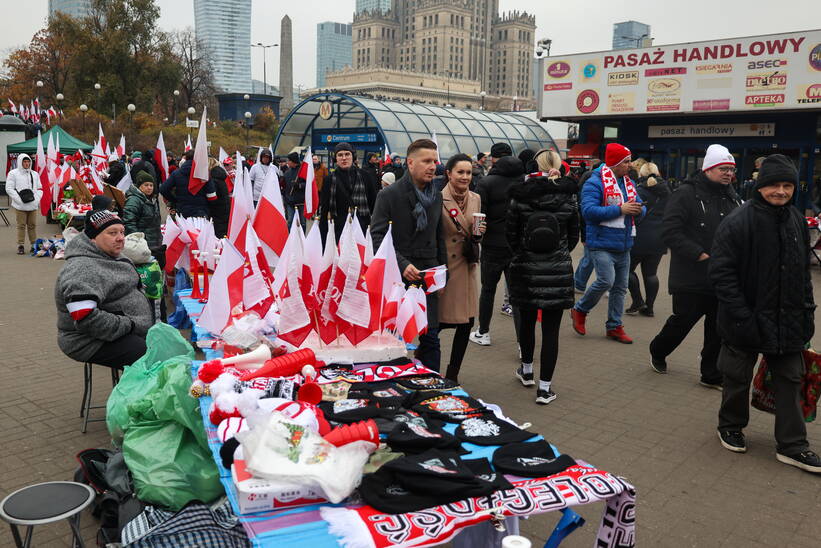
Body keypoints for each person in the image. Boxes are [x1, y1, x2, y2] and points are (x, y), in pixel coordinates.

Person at [710, 154, 821, 473]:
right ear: (761, 186)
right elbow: (721, 274)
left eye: (787, 185)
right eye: (774, 185)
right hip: (744, 319)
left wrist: (808, 312)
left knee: (791, 378)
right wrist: (742, 315)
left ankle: (793, 445)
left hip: (788, 320)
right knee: (737, 376)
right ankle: (730, 425)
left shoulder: (797, 220)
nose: (781, 191)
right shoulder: (738, 220)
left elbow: (802, 273)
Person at [649, 144, 741, 386]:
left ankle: (711, 374)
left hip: (722, 277)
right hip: (691, 277)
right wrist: (699, 254)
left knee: (717, 330)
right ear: (708, 168)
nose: (728, 173)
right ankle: (658, 350)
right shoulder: (686, 193)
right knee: (683, 322)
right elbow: (670, 231)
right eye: (723, 168)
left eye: (731, 169)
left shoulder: (732, 195)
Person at [507, 150, 579, 404]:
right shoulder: (568, 195)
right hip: (558, 270)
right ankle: (545, 388)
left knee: (526, 322)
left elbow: (511, 234)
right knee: (551, 331)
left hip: (525, 269)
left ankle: (526, 371)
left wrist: (524, 253)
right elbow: (574, 236)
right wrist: (558, 253)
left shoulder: (520, 195)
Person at [371, 139, 447, 372]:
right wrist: (403, 265)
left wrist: (444, 273)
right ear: (410, 163)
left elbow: (438, 235)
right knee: (394, 338)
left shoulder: (436, 195)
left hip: (428, 275)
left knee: (431, 336)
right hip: (398, 276)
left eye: (434, 161)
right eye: (426, 161)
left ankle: (431, 384)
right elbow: (377, 238)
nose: (432, 166)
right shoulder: (389, 195)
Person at [55, 210, 153, 369]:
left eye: (122, 232)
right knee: (148, 356)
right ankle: (135, 392)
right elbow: (85, 318)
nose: (121, 238)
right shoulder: (82, 269)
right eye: (112, 233)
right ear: (93, 238)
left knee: (165, 346)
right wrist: (129, 325)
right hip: (86, 341)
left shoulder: (109, 253)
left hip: (118, 330)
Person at [571, 143, 644, 343]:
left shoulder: (628, 183)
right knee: (606, 281)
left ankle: (614, 326)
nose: (630, 165)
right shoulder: (594, 183)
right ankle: (580, 309)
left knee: (620, 288)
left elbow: (637, 206)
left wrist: (639, 210)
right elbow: (588, 212)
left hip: (624, 243)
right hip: (601, 243)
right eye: (626, 162)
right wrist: (621, 209)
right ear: (615, 163)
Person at [469, 143, 524, 346]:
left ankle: (483, 332)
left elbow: (478, 215)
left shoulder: (486, 182)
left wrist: (476, 239)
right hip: (516, 245)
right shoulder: (523, 181)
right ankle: (522, 343)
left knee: (488, 290)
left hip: (492, 244)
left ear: (494, 159)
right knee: (517, 295)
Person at [438, 154, 483, 382]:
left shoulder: (475, 198)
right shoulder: (438, 198)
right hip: (446, 269)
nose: (465, 177)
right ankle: (427, 367)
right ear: (449, 173)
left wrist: (478, 235)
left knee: (466, 324)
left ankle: (453, 374)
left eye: (468, 172)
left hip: (467, 268)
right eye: (460, 172)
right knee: (436, 323)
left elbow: (476, 230)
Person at [625, 162, 671, 317]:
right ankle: (649, 308)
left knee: (627, 270)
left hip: (639, 236)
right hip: (659, 237)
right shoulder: (667, 192)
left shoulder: (638, 191)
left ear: (641, 174)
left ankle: (637, 301)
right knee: (651, 274)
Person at [319, 143, 378, 242]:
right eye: (340, 155)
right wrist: (323, 239)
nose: (344, 158)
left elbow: (374, 205)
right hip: (338, 232)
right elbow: (325, 210)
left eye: (347, 154)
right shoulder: (328, 180)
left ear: (353, 156)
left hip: (362, 231)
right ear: (336, 159)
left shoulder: (366, 176)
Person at [159, 149, 218, 218]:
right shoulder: (204, 174)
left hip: (182, 211)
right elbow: (212, 196)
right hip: (201, 211)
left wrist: (174, 200)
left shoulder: (176, 173)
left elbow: (163, 189)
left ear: (186, 158)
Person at [573, 159, 601, 293]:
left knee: (589, 258)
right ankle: (579, 283)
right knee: (589, 258)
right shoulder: (591, 181)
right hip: (592, 229)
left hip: (594, 229)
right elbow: (586, 213)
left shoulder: (587, 178)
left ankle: (579, 283)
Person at [6, 153, 42, 255]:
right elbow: (9, 188)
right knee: (21, 225)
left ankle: (33, 245)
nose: (27, 163)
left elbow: (40, 188)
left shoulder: (35, 174)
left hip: (33, 205)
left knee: (32, 225)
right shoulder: (13, 173)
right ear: (20, 162)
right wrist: (19, 200)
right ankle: (20, 245)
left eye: (28, 161)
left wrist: (36, 200)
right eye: (25, 161)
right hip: (20, 205)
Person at [122, 171, 162, 249]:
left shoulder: (152, 199)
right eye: (146, 185)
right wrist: (138, 241)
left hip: (154, 243)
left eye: (151, 185)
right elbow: (129, 223)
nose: (149, 188)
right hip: (142, 244)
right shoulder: (133, 201)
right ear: (139, 186)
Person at [208, 157, 231, 238]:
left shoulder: (213, 180)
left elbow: (212, 197)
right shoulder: (220, 177)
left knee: (218, 235)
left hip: (217, 211)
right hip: (224, 209)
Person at [283, 151, 306, 225]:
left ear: (293, 161)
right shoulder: (287, 172)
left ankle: (302, 236)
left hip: (301, 202)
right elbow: (285, 186)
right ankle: (291, 236)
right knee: (290, 221)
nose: (287, 162)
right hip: (290, 201)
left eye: (289, 160)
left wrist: (299, 185)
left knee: (302, 222)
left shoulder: (303, 171)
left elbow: (308, 184)